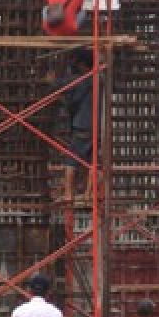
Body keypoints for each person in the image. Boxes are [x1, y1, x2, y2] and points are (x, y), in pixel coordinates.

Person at [48, 48, 94, 202]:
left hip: (83, 126)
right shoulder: (99, 78)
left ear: (83, 65)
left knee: (71, 160)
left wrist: (52, 80)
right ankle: (89, 194)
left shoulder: (84, 80)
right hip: (97, 127)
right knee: (92, 162)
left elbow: (62, 85)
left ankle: (69, 194)